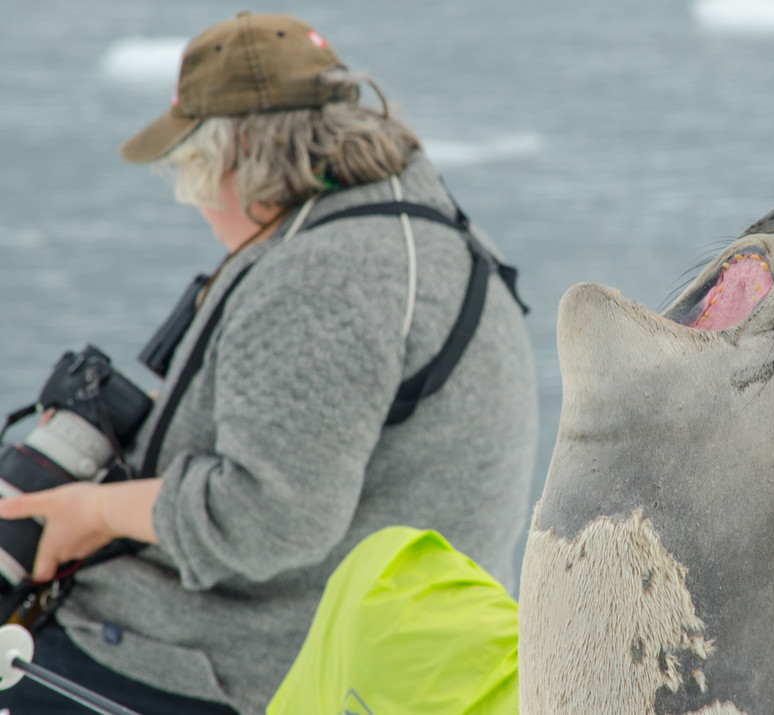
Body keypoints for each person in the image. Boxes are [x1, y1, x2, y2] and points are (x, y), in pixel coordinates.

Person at [0, 11, 538, 714]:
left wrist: (93, 508)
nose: (194, 203)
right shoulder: (424, 229)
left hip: (261, 662)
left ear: (245, 153)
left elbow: (268, 518)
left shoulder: (323, 281)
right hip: (398, 635)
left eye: (190, 171)